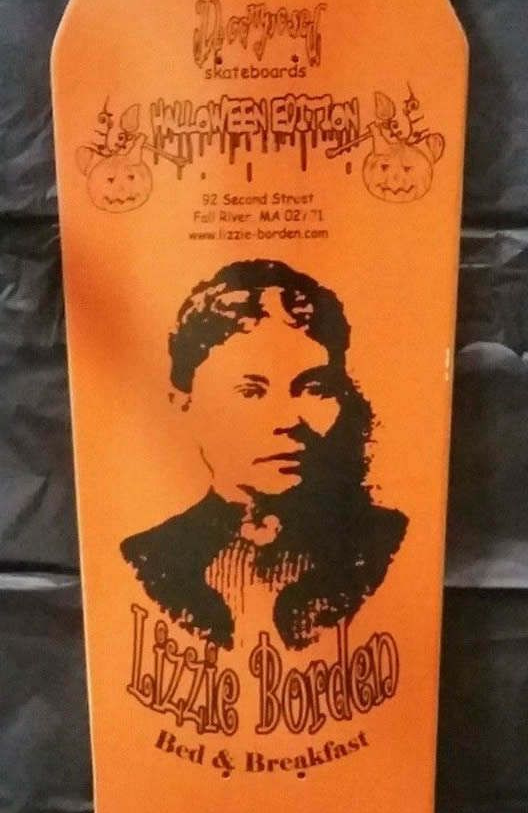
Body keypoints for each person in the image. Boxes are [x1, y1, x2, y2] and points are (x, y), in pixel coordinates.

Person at [121, 259, 408, 650]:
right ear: (183, 403)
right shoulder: (145, 560)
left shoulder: (389, 543)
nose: (288, 420)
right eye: (250, 391)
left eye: (314, 389)